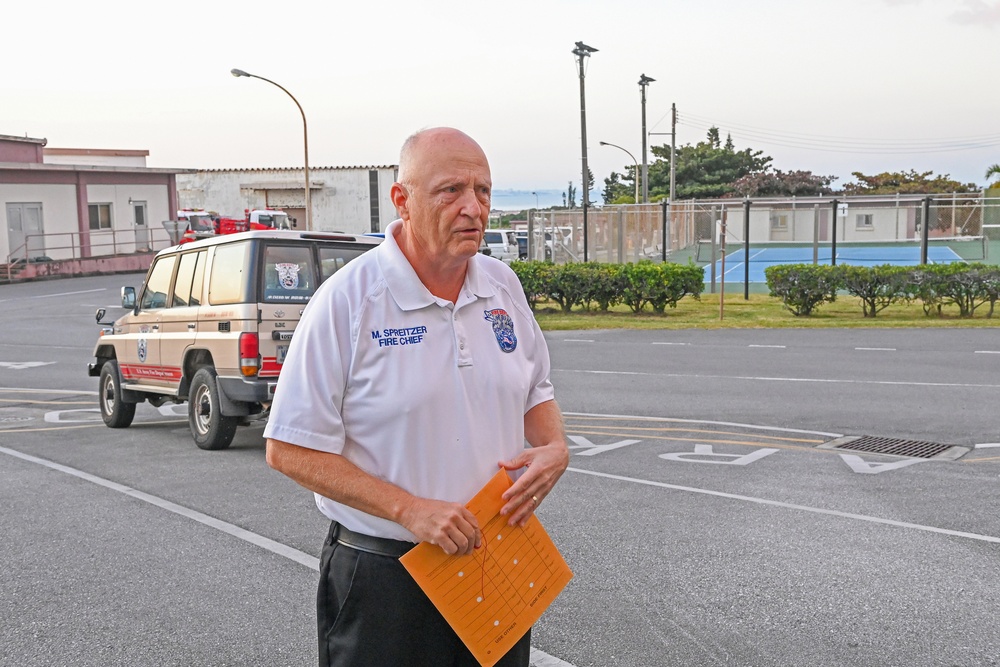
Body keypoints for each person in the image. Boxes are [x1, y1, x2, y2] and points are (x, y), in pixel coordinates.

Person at [264, 127, 570, 667]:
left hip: (494, 562)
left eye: (483, 190)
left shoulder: (502, 285)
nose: (473, 208)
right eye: (451, 190)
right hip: (386, 577)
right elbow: (289, 448)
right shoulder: (348, 301)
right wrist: (409, 510)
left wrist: (554, 447)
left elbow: (535, 387)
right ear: (401, 199)